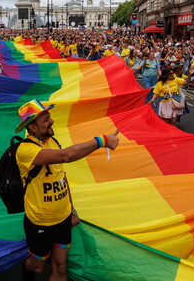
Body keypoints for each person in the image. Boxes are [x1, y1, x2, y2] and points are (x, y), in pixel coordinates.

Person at [15, 99, 119, 281]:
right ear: (31, 127)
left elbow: (61, 178)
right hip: (40, 223)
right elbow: (67, 156)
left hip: (63, 218)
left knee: (61, 268)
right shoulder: (25, 150)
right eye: (45, 119)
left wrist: (71, 211)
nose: (51, 121)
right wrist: (101, 141)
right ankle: (27, 267)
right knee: (37, 267)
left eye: (49, 117)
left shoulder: (52, 141)